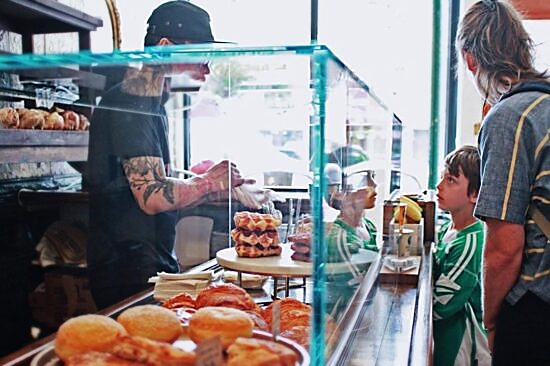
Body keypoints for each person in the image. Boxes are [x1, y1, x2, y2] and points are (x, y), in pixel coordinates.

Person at [87, 1, 254, 309]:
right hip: (125, 270)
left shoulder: (153, 103)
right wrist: (208, 183)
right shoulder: (129, 102)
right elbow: (151, 196)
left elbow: (152, 183)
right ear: (164, 48)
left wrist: (209, 192)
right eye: (200, 56)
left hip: (149, 261)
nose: (206, 69)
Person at [456, 1, 550, 364]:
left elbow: (504, 247)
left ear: (471, 60)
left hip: (535, 310)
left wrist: (490, 322)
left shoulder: (509, 117)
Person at [433, 145, 490, 366]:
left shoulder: (470, 242)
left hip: (460, 349)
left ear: (475, 194)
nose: (439, 186)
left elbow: (442, 305)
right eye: (441, 178)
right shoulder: (448, 229)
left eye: (451, 180)